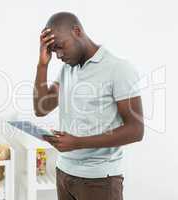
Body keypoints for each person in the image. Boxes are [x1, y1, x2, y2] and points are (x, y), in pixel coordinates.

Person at [33, 12, 144, 200]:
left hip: (99, 180)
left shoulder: (118, 68)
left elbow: (136, 130)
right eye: (54, 51)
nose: (59, 55)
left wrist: (77, 143)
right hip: (64, 173)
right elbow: (41, 109)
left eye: (60, 47)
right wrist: (42, 65)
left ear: (77, 31)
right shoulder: (68, 68)